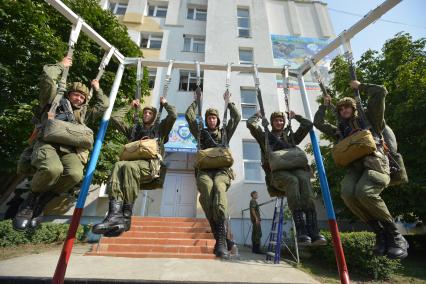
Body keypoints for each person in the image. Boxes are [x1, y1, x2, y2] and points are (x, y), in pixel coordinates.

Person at [313, 80, 408, 259]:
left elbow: (380, 92)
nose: (344, 111)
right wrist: (324, 106)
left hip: (377, 164)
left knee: (365, 192)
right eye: (340, 109)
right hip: (356, 169)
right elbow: (318, 123)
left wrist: (361, 86)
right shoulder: (341, 131)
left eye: (347, 107)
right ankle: (380, 234)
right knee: (348, 193)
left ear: (354, 108)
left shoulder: (371, 120)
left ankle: (396, 236)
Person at [13, 56, 110, 231]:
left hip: (70, 150)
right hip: (47, 144)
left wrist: (97, 88)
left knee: (74, 175)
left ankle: (42, 203)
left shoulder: (83, 114)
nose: (79, 98)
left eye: (82, 97)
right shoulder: (53, 101)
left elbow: (104, 104)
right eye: (76, 94)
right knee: (52, 169)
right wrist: (61, 65)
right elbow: (48, 78)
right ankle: (29, 203)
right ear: (68, 94)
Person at [92, 96, 177, 237]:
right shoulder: (134, 130)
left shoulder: (160, 130)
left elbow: (173, 115)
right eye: (145, 113)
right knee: (119, 165)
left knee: (129, 167)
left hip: (150, 166)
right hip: (132, 166)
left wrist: (165, 104)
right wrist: (130, 105)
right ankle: (114, 215)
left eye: (150, 113)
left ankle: (126, 215)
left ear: (154, 117)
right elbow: (115, 118)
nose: (146, 115)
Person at [247, 110, 326, 246]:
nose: (279, 122)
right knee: (293, 181)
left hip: (296, 170)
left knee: (304, 180)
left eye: (281, 120)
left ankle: (313, 230)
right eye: (276, 120)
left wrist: (296, 116)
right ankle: (301, 229)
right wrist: (257, 116)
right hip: (277, 175)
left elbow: (307, 124)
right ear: (272, 122)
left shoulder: (291, 138)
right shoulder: (265, 137)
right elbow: (250, 124)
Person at [185, 91, 241, 259]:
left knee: (218, 189)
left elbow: (236, 117)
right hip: (204, 171)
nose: (211, 120)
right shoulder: (201, 133)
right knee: (207, 192)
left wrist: (228, 102)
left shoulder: (224, 132)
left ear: (217, 120)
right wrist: (196, 101)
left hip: (222, 171)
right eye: (209, 118)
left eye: (214, 118)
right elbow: (189, 116)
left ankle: (221, 241)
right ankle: (222, 240)